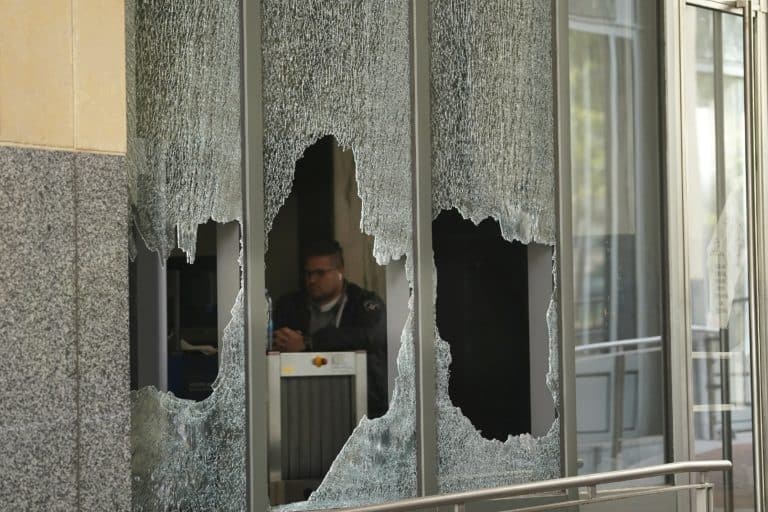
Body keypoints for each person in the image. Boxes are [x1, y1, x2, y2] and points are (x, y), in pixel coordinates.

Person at [272, 240, 388, 419]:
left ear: (340, 271)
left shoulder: (363, 303)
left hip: (358, 407)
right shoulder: (289, 306)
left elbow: (371, 337)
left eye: (320, 273)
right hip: (302, 404)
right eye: (308, 273)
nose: (311, 280)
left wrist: (308, 343)